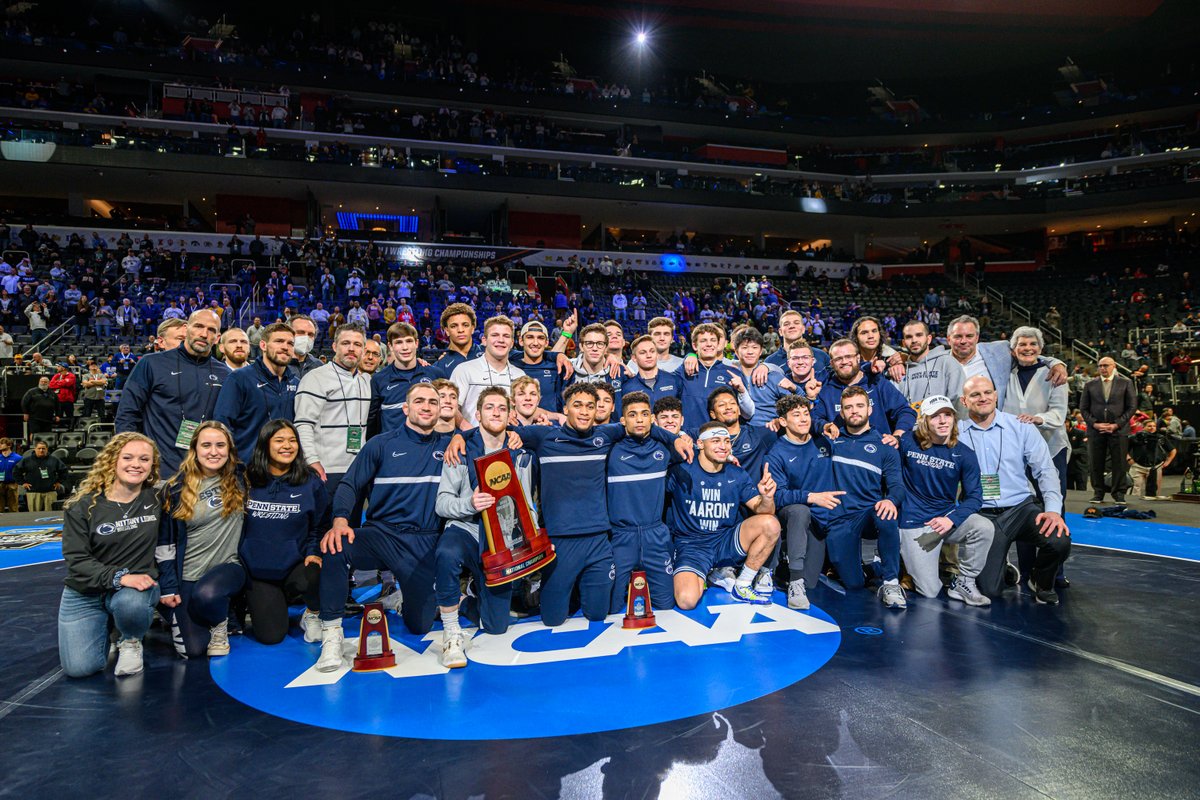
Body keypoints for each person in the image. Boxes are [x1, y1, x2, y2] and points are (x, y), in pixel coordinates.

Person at [447, 382, 688, 626]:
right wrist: (460, 436)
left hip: (598, 542)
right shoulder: (544, 437)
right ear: (565, 409)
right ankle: (469, 600)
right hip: (560, 543)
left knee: (598, 614)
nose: (584, 412)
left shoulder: (604, 436)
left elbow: (639, 426)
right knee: (553, 620)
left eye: (590, 407)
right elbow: (497, 427)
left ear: (597, 412)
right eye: (578, 406)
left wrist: (673, 438)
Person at [314, 383, 451, 672]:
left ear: (440, 410)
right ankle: (332, 635)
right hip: (382, 534)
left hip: (424, 542)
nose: (426, 407)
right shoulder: (381, 443)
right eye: (419, 401)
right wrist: (339, 520)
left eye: (432, 402)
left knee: (419, 625)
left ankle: (398, 597)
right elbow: (350, 484)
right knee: (337, 545)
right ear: (406, 408)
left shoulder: (450, 445)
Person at [434, 387, 534, 667]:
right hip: (467, 529)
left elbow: (527, 501)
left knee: (496, 626)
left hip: (500, 539)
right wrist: (470, 503)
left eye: (501, 408)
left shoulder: (519, 451)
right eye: (489, 408)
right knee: (447, 552)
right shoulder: (461, 448)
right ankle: (451, 629)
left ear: (509, 414)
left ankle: (466, 599)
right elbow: (442, 504)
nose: (495, 413)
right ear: (477, 414)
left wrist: (530, 533)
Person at [57, 433, 162, 678]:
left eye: (144, 459)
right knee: (80, 669)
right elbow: (77, 561)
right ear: (112, 461)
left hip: (133, 591)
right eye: (128, 457)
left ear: (152, 466)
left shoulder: (158, 498)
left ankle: (130, 639)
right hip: (86, 592)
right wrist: (119, 577)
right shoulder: (82, 506)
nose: (136, 464)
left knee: (130, 604)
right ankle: (109, 627)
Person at [959, 376, 1071, 604]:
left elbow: (1046, 471)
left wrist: (1053, 510)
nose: (983, 398)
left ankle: (1041, 580)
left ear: (996, 395)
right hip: (982, 514)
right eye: (975, 395)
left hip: (1021, 509)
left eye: (987, 392)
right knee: (989, 590)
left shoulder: (1021, 426)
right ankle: (1002, 567)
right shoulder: (956, 432)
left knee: (1059, 540)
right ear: (963, 401)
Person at [157, 421, 248, 658]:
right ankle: (177, 612)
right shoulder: (175, 488)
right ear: (194, 449)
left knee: (208, 595)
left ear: (229, 449)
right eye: (206, 445)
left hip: (228, 567)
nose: (213, 451)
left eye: (220, 445)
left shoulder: (241, 479)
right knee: (193, 650)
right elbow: (165, 544)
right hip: (188, 574)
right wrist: (168, 586)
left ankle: (221, 622)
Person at [667, 422, 781, 609]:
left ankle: (743, 584)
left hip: (725, 541)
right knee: (686, 600)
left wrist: (767, 497)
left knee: (771, 523)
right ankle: (709, 573)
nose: (723, 446)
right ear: (700, 444)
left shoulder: (737, 473)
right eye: (716, 440)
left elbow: (764, 511)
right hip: (692, 545)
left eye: (727, 441)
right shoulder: (681, 471)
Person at [897, 396, 993, 606]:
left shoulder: (964, 454)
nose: (942, 421)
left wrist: (952, 519)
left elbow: (976, 497)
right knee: (930, 592)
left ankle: (964, 581)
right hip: (914, 523)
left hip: (944, 523)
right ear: (924, 421)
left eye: (947, 415)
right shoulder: (906, 441)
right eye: (935, 416)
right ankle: (898, 561)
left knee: (983, 527)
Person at [241, 420, 329, 646]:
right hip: (258, 572)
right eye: (279, 440)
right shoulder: (246, 479)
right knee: (271, 637)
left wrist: (313, 551)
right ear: (265, 445)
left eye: (292, 441)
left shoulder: (310, 481)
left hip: (295, 566)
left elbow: (320, 525)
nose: (287, 446)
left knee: (317, 574)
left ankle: (312, 612)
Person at [115, 310, 230, 475]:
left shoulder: (225, 374)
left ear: (217, 338)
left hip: (206, 474)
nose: (204, 334)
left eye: (211, 330)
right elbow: (127, 414)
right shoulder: (151, 364)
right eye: (198, 326)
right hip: (159, 472)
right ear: (186, 328)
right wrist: (135, 459)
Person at [823, 386, 908, 608]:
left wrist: (891, 500)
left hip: (869, 514)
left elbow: (897, 485)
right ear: (841, 413)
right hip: (839, 519)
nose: (854, 411)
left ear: (870, 409)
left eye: (860, 406)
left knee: (887, 514)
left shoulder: (885, 445)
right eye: (848, 407)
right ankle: (872, 568)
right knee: (853, 584)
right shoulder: (830, 441)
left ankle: (891, 582)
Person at [766, 394, 839, 610]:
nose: (803, 419)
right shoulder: (777, 452)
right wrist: (811, 497)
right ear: (783, 422)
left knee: (812, 583)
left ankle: (785, 569)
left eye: (806, 414)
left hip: (823, 517)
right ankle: (793, 581)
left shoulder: (823, 440)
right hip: (794, 513)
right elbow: (778, 495)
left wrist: (821, 424)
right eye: (796, 415)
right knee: (799, 511)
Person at [607, 392, 677, 614]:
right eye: (633, 415)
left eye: (645, 414)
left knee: (666, 605)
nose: (639, 420)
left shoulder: (664, 448)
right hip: (621, 537)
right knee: (610, 607)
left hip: (655, 535)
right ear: (622, 421)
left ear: (652, 419)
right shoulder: (610, 450)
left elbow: (703, 455)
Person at [294, 324, 370, 493]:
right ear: (334, 346)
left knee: (352, 520)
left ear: (363, 350)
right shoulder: (315, 378)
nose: (351, 349)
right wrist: (312, 461)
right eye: (345, 343)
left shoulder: (366, 381)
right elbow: (303, 424)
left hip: (357, 470)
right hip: (325, 470)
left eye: (357, 345)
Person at [214, 323, 299, 464]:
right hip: (247, 469)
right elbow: (222, 425)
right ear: (263, 346)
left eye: (290, 343)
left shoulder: (296, 383)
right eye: (279, 341)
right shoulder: (239, 378)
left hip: (285, 469)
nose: (285, 347)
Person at [813, 339, 916, 446]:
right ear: (832, 363)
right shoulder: (826, 390)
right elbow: (814, 418)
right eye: (838, 359)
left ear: (858, 358)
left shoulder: (877, 383)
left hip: (880, 451)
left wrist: (897, 436)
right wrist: (825, 425)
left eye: (849, 356)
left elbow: (905, 411)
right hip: (842, 454)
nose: (844, 361)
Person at [1079, 356, 1137, 504]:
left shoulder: (1126, 383)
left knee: (1119, 463)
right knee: (1095, 463)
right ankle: (1098, 493)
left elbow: (1131, 407)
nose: (1103, 368)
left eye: (1106, 365)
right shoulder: (1090, 385)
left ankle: (1118, 494)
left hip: (1118, 430)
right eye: (1100, 366)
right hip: (1095, 430)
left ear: (1114, 366)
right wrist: (1095, 424)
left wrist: (1117, 424)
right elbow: (1083, 409)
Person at [450, 316, 526, 427]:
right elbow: (452, 408)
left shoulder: (520, 375)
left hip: (510, 441)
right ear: (484, 340)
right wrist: (470, 433)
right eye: (495, 335)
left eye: (506, 336)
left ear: (511, 342)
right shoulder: (464, 370)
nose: (500, 340)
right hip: (473, 440)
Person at [678, 323, 754, 433]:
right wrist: (690, 355)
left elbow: (748, 414)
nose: (709, 344)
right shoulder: (683, 371)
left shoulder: (733, 373)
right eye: (703, 341)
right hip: (688, 439)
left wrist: (742, 392)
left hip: (721, 439)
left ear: (718, 344)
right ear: (694, 345)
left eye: (713, 340)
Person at [368, 322, 433, 437]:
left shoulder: (435, 374)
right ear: (390, 346)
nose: (405, 347)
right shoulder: (378, 380)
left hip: (428, 448)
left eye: (409, 341)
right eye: (398, 342)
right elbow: (372, 422)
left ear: (416, 343)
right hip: (390, 449)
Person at [732, 327, 796, 428]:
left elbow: (793, 405)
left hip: (770, 431)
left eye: (754, 347)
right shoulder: (730, 376)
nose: (750, 352)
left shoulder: (773, 376)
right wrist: (695, 356)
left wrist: (780, 420)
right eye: (744, 348)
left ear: (761, 351)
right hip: (740, 434)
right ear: (736, 352)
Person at [893, 320, 964, 410]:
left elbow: (959, 402)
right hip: (910, 423)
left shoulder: (947, 362)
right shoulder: (899, 369)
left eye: (919, 335)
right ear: (903, 343)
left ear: (929, 339)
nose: (914, 340)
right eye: (909, 337)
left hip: (942, 423)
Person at [514, 321, 567, 413]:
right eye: (530, 337)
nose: (535, 343)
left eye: (540, 338)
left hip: (550, 425)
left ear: (546, 342)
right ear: (521, 341)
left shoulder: (556, 368)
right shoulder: (510, 366)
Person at [622, 334, 684, 409]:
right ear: (634, 358)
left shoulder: (674, 380)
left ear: (657, 354)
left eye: (652, 351)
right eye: (643, 352)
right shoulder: (627, 388)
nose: (649, 355)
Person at [763, 310, 831, 377]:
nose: (792, 326)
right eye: (786, 324)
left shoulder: (822, 356)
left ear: (803, 329)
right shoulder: (769, 362)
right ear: (780, 332)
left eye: (796, 323)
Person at [429, 303, 483, 379]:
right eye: (454, 326)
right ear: (447, 331)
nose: (460, 330)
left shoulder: (488, 355)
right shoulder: (438, 368)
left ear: (473, 328)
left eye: (465, 325)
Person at [1127, 420, 1176, 500]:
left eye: (1154, 426)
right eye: (1149, 426)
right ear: (1143, 427)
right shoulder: (1134, 437)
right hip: (1138, 466)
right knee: (1133, 489)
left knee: (1154, 493)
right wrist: (1129, 459)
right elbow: (1124, 450)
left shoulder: (1160, 438)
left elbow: (1173, 450)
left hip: (1155, 467)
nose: (1152, 428)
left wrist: (1168, 461)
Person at [15, 440, 66, 512]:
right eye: (39, 448)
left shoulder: (54, 460)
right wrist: (23, 483)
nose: (41, 450)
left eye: (43, 448)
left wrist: (59, 482)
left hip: (50, 492)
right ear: (35, 449)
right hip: (33, 492)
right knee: (34, 516)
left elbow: (64, 471)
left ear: (47, 449)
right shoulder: (27, 460)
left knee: (51, 516)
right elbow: (16, 472)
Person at [287, 314, 323, 378]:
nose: (306, 338)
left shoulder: (319, 366)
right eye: (301, 332)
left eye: (310, 334)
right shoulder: (276, 364)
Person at [0, 438, 21, 513]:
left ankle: (16, 523)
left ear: (9, 445)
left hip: (12, 484)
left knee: (13, 507)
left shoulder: (17, 458)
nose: (0, 445)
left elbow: (21, 471)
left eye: (2, 443)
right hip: (0, 484)